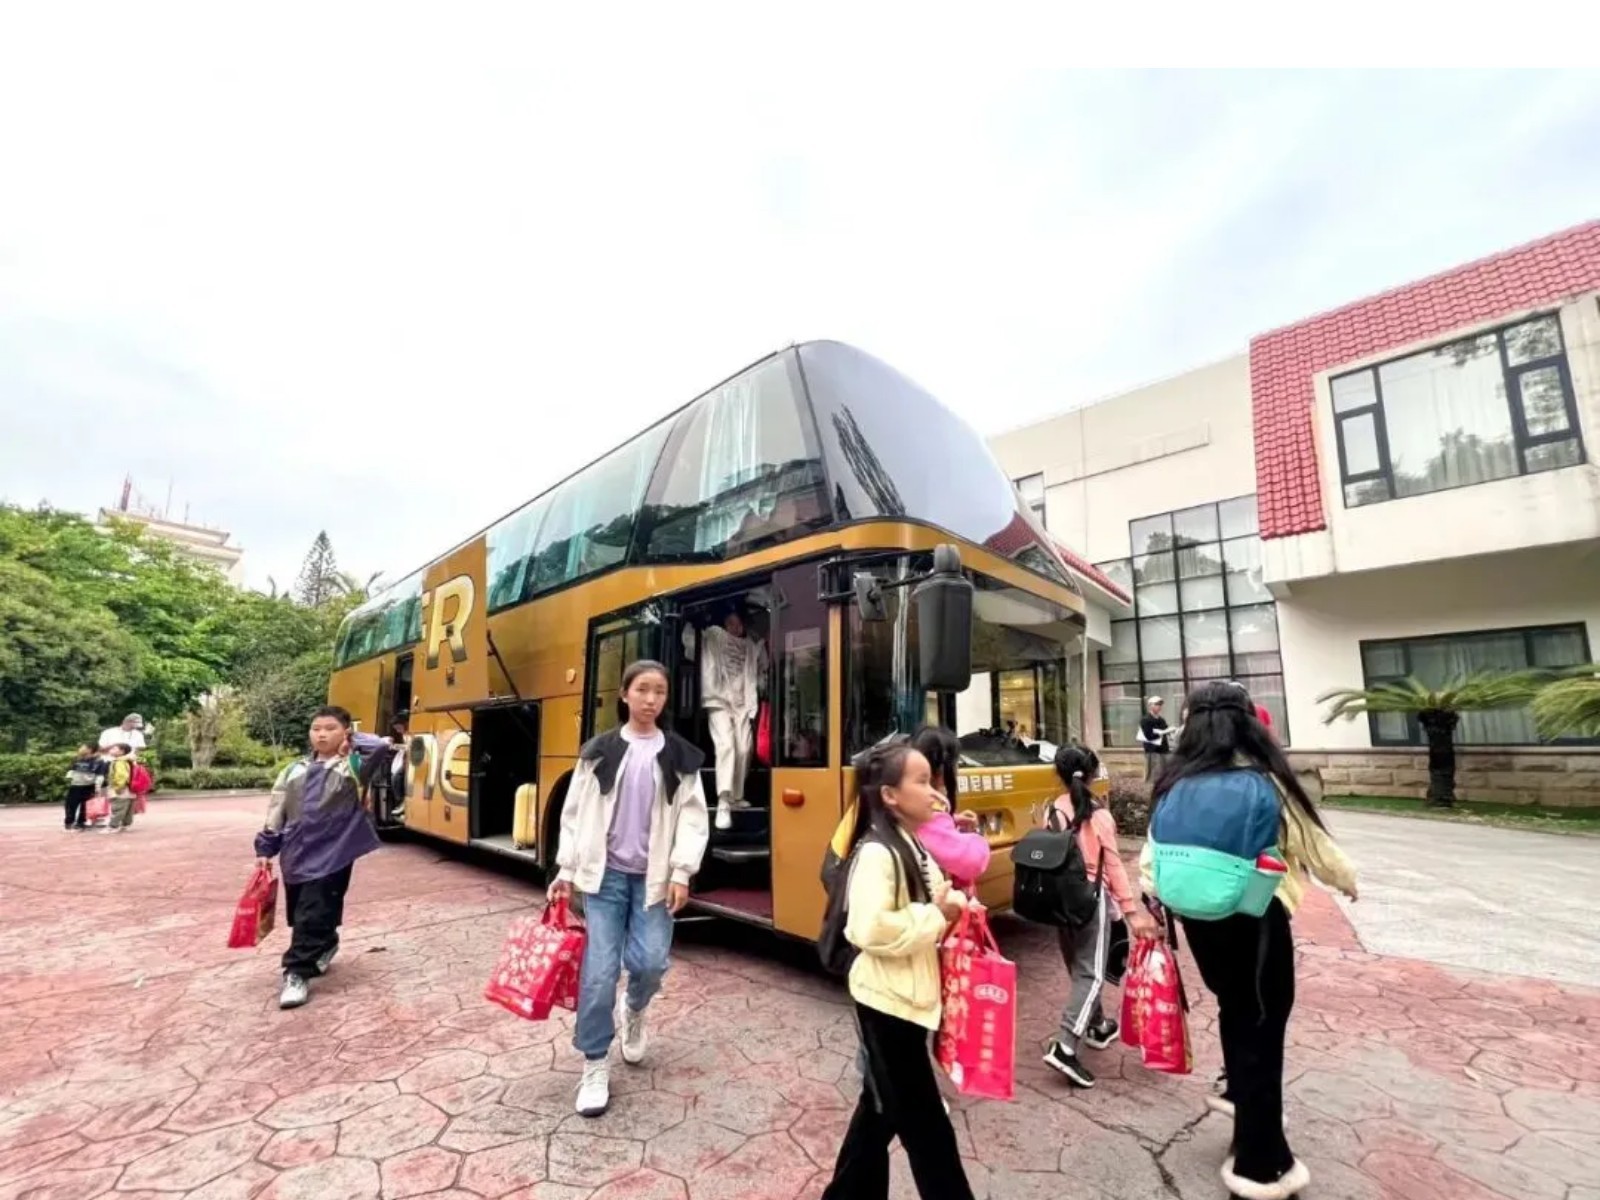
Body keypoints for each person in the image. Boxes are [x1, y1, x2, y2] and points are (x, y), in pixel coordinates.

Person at [1143, 680, 1358, 1200]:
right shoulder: (1266, 782)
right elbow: (1316, 848)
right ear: (1247, 723)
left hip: (1198, 920)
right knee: (1263, 1023)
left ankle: (1243, 1105)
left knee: (1235, 1008)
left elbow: (1151, 861)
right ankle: (1261, 1167)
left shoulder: (1174, 781)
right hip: (1257, 918)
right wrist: (1348, 882)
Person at [548, 659, 709, 1119]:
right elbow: (574, 815)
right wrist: (565, 870)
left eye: (659, 691)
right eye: (642, 690)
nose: (650, 699)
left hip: (653, 881)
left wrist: (681, 872)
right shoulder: (598, 751)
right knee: (599, 973)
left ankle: (634, 1008)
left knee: (651, 963)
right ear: (624, 694)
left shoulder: (680, 756)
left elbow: (693, 818)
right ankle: (595, 1062)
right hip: (605, 879)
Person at [821, 741, 975, 1200]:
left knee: (879, 1111)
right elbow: (868, 927)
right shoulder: (877, 853)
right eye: (922, 782)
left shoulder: (910, 842)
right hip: (886, 1004)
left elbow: (937, 895)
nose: (935, 791)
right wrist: (938, 915)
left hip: (906, 1001)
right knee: (928, 1131)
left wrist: (953, 904)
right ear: (890, 795)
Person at [255, 706, 390, 1010]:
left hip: (334, 852)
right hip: (295, 852)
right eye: (316, 729)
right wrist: (265, 849)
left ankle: (296, 973)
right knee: (302, 911)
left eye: (330, 728)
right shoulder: (293, 770)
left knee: (312, 910)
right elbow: (277, 809)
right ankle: (326, 943)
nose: (322, 734)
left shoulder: (353, 766)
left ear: (345, 732)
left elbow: (380, 747)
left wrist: (352, 741)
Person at [1041, 744, 1160, 1088]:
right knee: (1091, 973)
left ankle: (1098, 1025)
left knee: (1079, 966)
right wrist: (1131, 912)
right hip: (1092, 901)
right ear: (1093, 774)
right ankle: (1065, 1045)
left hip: (1060, 901)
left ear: (1060, 774)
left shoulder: (1053, 809)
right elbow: (1114, 866)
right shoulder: (1100, 815)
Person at [700, 606, 764, 831]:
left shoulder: (750, 646)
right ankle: (723, 802)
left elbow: (762, 664)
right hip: (719, 700)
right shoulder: (716, 636)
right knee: (726, 745)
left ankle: (737, 796)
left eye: (738, 623)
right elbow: (696, 637)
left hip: (742, 704)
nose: (735, 627)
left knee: (744, 749)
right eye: (730, 623)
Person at [908, 726, 989, 891]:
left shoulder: (908, 803)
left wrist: (952, 820)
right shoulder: (929, 812)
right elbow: (971, 861)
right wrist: (977, 837)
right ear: (941, 770)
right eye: (956, 763)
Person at [62, 744, 105, 831]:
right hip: (75, 785)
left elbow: (100, 775)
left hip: (89, 786)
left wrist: (97, 787)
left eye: (85, 747)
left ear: (92, 750)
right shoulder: (77, 758)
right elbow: (71, 771)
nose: (81, 749)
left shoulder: (99, 761)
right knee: (70, 805)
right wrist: (69, 780)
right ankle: (69, 823)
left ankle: (81, 823)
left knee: (85, 806)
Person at [103, 744, 135, 832]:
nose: (111, 750)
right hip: (130, 788)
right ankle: (125, 825)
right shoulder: (128, 760)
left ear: (121, 751)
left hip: (122, 788)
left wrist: (118, 787)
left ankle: (113, 826)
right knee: (128, 809)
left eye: (114, 748)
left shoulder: (119, 762)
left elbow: (121, 776)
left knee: (118, 808)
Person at [1137, 696, 1170, 781]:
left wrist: (1169, 731)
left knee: (1164, 775)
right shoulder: (1145, 720)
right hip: (1152, 751)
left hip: (1163, 750)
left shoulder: (1161, 720)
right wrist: (1161, 733)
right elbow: (1149, 736)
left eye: (1160, 704)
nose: (1159, 706)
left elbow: (1166, 730)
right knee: (1153, 776)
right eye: (1157, 704)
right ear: (1150, 705)